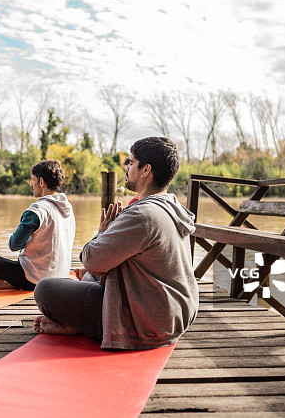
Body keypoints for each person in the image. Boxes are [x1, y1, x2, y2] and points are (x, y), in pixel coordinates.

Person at [33, 137, 198, 350]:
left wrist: (102, 231)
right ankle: (82, 319)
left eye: (131, 162)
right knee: (90, 276)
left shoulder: (142, 214)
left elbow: (91, 260)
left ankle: (81, 325)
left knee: (45, 290)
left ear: (146, 170)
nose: (126, 168)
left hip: (147, 323)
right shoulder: (172, 206)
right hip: (174, 313)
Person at [0, 159, 76, 291]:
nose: (31, 184)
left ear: (41, 182)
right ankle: (13, 282)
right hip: (61, 277)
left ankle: (12, 283)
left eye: (32, 179)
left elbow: (14, 245)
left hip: (36, 279)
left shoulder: (37, 210)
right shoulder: (68, 209)